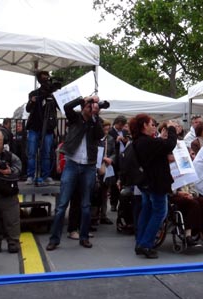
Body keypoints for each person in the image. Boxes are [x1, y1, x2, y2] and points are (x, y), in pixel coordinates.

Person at [46, 96, 104, 251]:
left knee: (86, 205)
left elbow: (99, 135)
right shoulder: (75, 118)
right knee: (62, 205)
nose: (89, 109)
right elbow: (66, 107)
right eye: (88, 107)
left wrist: (95, 116)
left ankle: (84, 237)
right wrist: (82, 100)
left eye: (91, 106)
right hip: (72, 164)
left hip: (89, 166)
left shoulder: (95, 121)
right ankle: (54, 239)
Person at [129, 115, 178, 259]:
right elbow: (169, 144)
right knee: (159, 212)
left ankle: (140, 242)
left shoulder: (140, 141)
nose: (154, 126)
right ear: (144, 125)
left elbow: (160, 150)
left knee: (147, 210)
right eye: (152, 124)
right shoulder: (146, 142)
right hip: (155, 182)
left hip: (147, 182)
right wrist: (171, 128)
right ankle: (146, 244)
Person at [25, 70, 59, 186]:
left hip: (48, 128)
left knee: (46, 152)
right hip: (35, 126)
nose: (46, 80)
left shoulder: (53, 95)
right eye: (43, 78)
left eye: (47, 78)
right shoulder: (34, 93)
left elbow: (60, 107)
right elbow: (28, 109)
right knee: (32, 152)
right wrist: (32, 101)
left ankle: (45, 176)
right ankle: (30, 175)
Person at [108, 115, 129, 212]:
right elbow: (109, 145)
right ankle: (113, 203)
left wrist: (125, 140)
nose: (120, 127)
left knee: (123, 180)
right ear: (115, 123)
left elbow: (128, 143)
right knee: (114, 182)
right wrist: (116, 141)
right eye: (119, 125)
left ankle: (122, 203)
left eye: (122, 125)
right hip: (115, 158)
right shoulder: (110, 132)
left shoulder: (125, 132)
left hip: (124, 158)